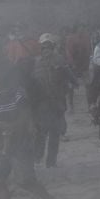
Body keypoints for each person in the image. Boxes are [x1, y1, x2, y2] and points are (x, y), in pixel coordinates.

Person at [0, 62, 55, 199]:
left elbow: (24, 118)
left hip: (20, 142)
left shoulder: (18, 93)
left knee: (25, 181)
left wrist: (7, 127)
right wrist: (0, 129)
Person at [33, 34, 75, 168]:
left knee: (54, 133)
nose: (46, 50)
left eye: (48, 47)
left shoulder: (60, 61)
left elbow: (71, 77)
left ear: (53, 48)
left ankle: (51, 162)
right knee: (40, 132)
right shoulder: (35, 63)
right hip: (41, 104)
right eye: (43, 48)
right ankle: (37, 156)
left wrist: (71, 84)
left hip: (57, 103)